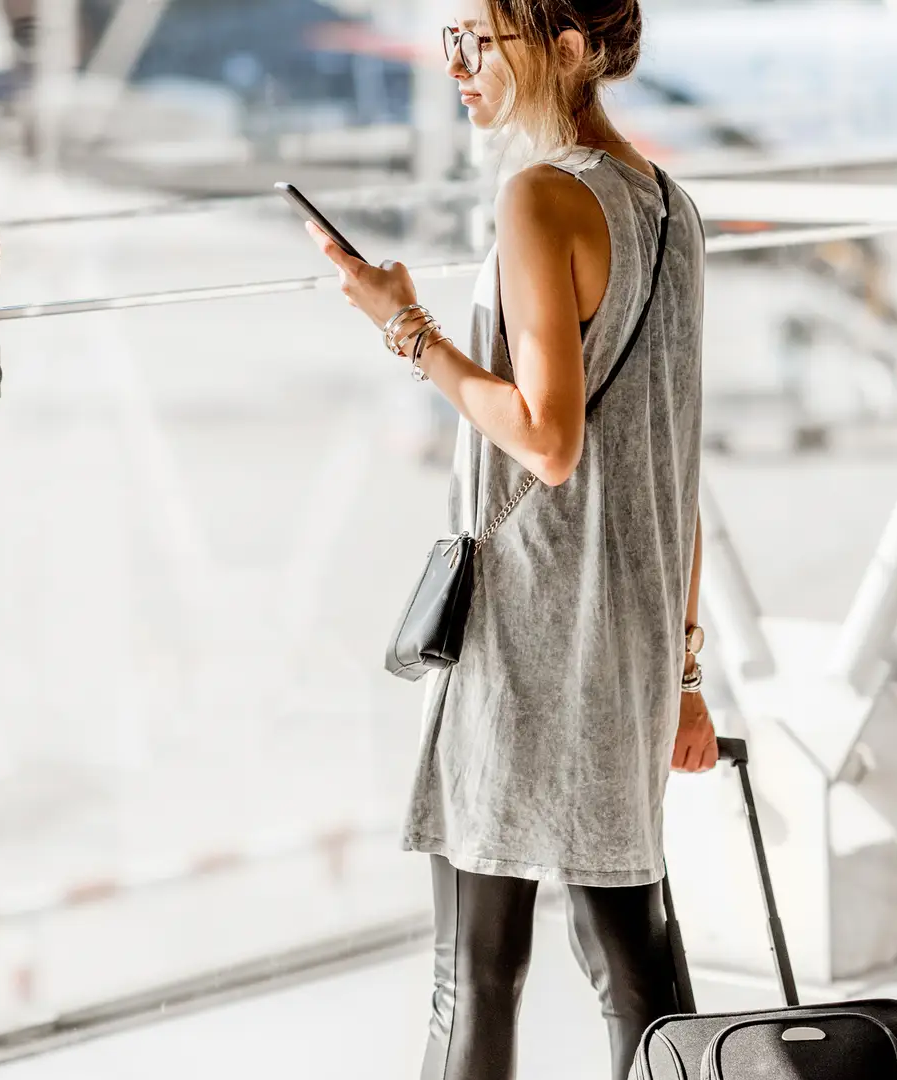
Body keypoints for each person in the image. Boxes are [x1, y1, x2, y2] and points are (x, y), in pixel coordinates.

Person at [305, 1, 712, 1077]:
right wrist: (687, 672)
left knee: (477, 973)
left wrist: (404, 326)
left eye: (482, 42)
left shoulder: (541, 197)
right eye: (453, 40)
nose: (459, 64)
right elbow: (673, 463)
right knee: (638, 965)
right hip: (625, 644)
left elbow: (548, 439)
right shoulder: (670, 205)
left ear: (568, 52)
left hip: (531, 639)